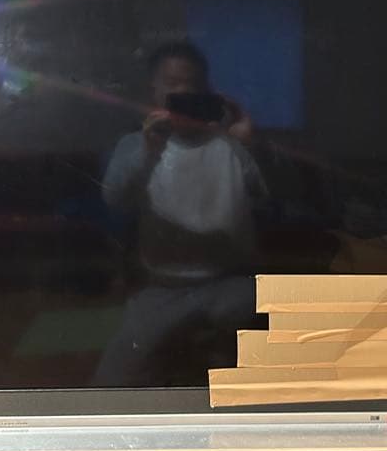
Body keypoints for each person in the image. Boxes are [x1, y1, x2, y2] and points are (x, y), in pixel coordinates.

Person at [95, 40, 266, 385]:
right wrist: (149, 150)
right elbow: (114, 200)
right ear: (154, 91)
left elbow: (268, 199)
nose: (184, 92)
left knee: (268, 375)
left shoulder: (230, 144)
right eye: (173, 84)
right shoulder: (135, 144)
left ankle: (214, 354)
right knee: (113, 380)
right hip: (163, 287)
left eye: (193, 85)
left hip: (231, 284)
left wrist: (250, 146)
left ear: (207, 92)